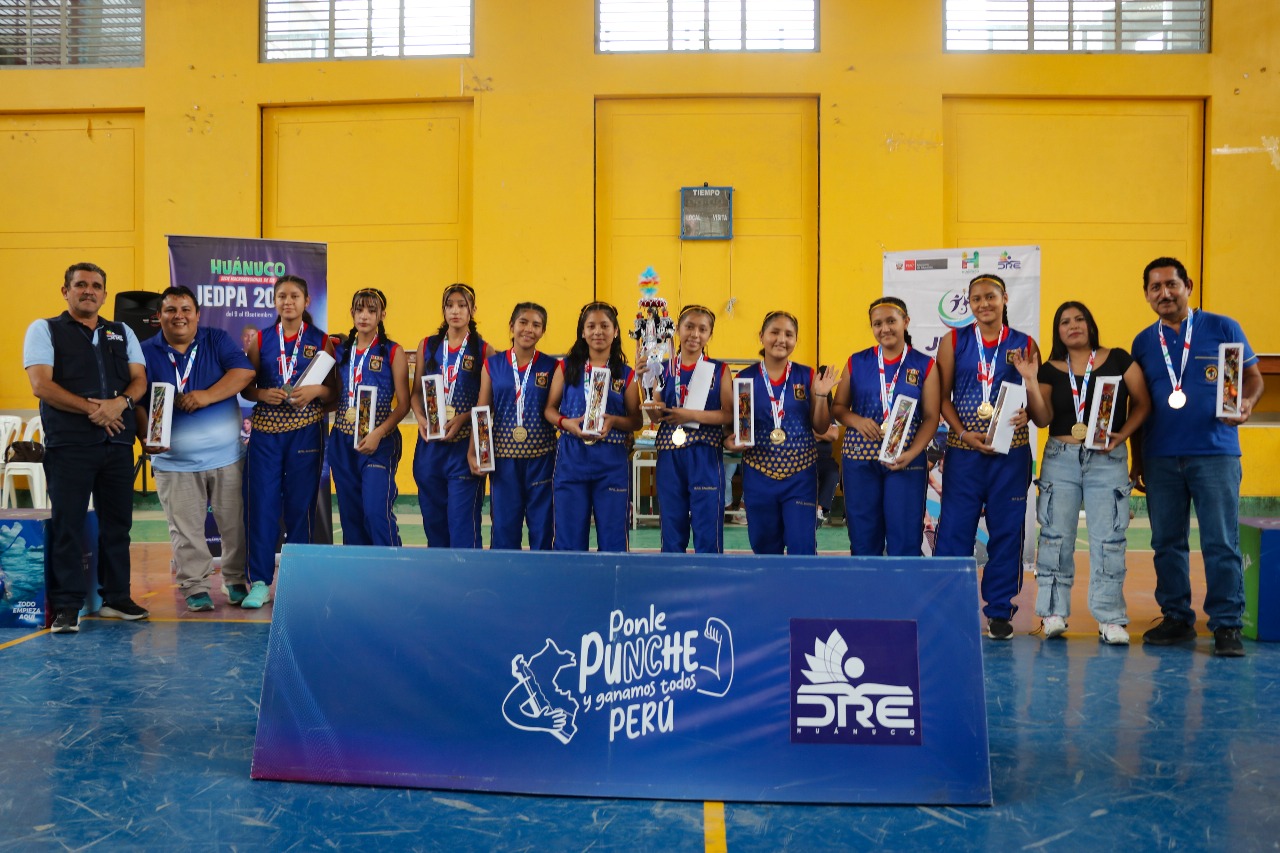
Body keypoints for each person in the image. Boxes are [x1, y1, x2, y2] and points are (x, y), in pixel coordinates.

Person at [1130, 257, 1263, 657]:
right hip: (1161, 457)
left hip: (1215, 454)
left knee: (1221, 541)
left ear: (1187, 285)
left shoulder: (1224, 327)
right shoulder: (1142, 342)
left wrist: (1249, 403)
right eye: (1155, 288)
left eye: (1171, 284)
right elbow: (1140, 406)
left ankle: (1227, 626)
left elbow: (1252, 378)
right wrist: (1137, 460)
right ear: (1147, 295)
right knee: (1166, 542)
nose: (1164, 294)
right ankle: (1176, 618)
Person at [22, 262, 150, 633]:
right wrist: (96, 409)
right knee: (68, 524)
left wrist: (120, 404)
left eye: (96, 286)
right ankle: (66, 606)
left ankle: (116, 597)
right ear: (65, 291)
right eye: (80, 285)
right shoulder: (44, 329)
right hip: (70, 445)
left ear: (105, 294)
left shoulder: (122, 331)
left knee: (118, 526)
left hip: (118, 443)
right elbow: (41, 385)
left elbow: (139, 380)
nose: (88, 291)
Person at [1020, 301, 1151, 645]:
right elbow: (1043, 418)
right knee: (1054, 538)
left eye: (1079, 319)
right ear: (1057, 331)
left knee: (1109, 539)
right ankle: (1052, 613)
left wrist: (1123, 435)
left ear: (1091, 325)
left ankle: (1110, 619)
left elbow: (1143, 402)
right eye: (1065, 321)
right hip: (1060, 459)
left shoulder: (1120, 359)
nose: (1073, 325)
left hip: (1107, 459)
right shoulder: (1048, 368)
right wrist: (1031, 381)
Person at [137, 286, 255, 612]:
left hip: (227, 457)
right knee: (186, 531)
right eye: (171, 310)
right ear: (159, 316)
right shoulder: (145, 351)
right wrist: (144, 436)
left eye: (186, 309)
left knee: (235, 524)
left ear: (197, 314)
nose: (179, 316)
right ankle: (195, 586)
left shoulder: (216, 339)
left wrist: (207, 395)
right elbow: (135, 397)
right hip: (174, 461)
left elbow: (244, 372)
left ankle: (234, 581)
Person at [935, 274, 1039, 640]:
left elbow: (1034, 394)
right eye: (976, 298)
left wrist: (1028, 409)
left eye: (991, 297)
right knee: (953, 533)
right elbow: (941, 398)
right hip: (965, 452)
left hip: (1011, 453)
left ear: (1005, 298)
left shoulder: (1025, 344)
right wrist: (962, 433)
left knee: (1007, 534)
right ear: (969, 303)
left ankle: (999, 611)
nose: (984, 304)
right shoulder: (953, 342)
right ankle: (949, 606)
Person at [242, 274, 336, 609]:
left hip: (306, 430)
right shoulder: (261, 340)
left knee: (300, 508)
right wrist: (260, 393)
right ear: (275, 301)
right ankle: (260, 583)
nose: (288, 302)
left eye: (294, 296)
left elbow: (335, 393)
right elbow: (246, 387)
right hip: (266, 434)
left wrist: (315, 391)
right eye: (281, 296)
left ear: (306, 301)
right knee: (262, 506)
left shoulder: (322, 341)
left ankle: (298, 581)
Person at [832, 296, 940, 556]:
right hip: (859, 460)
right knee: (863, 538)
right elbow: (838, 408)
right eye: (877, 323)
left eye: (891, 321)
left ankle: (903, 596)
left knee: (904, 538)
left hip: (904, 460)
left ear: (906, 322)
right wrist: (857, 420)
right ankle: (867, 595)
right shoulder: (856, 362)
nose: (885, 328)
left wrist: (912, 454)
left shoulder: (925, 365)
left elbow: (931, 417)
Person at [724, 311, 837, 555]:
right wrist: (730, 441)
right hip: (759, 476)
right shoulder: (744, 379)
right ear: (762, 336)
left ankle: (802, 594)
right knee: (764, 547)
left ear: (796, 340)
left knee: (802, 546)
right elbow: (731, 428)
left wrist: (820, 395)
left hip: (801, 477)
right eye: (774, 332)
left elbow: (820, 427)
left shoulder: (807, 376)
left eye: (789, 334)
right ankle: (769, 593)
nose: (781, 339)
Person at [544, 302, 642, 552]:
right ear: (582, 332)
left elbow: (636, 420)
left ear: (616, 331)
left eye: (604, 326)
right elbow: (550, 410)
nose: (598, 332)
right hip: (571, 458)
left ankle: (611, 590)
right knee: (568, 538)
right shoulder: (565, 368)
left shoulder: (627, 375)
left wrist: (614, 421)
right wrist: (567, 423)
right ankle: (570, 589)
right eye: (591, 326)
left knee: (613, 539)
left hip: (611, 462)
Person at [470, 303, 558, 550]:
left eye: (536, 325)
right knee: (504, 528)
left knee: (542, 527)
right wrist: (474, 450)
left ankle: (542, 581)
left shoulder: (552, 367)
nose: (529, 329)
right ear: (512, 326)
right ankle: (505, 583)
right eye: (523, 322)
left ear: (542, 331)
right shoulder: (493, 365)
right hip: (504, 460)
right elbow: (483, 411)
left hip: (542, 458)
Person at [328, 289, 410, 546]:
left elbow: (404, 404)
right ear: (352, 313)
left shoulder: (393, 352)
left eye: (371, 311)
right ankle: (359, 580)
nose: (364, 316)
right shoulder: (340, 350)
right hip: (342, 439)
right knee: (350, 517)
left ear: (382, 315)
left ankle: (394, 573)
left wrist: (378, 433)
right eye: (359, 310)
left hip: (379, 441)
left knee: (375, 512)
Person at [411, 283, 490, 548]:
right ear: (443, 309)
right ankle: (441, 585)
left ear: (473, 310)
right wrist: (422, 420)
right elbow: (414, 395)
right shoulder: (427, 346)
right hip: (430, 445)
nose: (455, 311)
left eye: (462, 305)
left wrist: (464, 417)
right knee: (433, 524)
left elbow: (488, 402)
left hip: (464, 447)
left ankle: (469, 585)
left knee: (462, 524)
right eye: (450, 305)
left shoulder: (484, 350)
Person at [648, 305, 732, 553]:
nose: (695, 334)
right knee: (672, 524)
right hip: (669, 453)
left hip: (705, 452)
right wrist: (649, 393)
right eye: (689, 327)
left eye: (702, 329)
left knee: (707, 524)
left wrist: (690, 415)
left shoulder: (719, 369)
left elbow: (729, 414)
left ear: (710, 335)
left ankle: (709, 582)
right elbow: (655, 413)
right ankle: (673, 581)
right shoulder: (661, 367)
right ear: (678, 330)